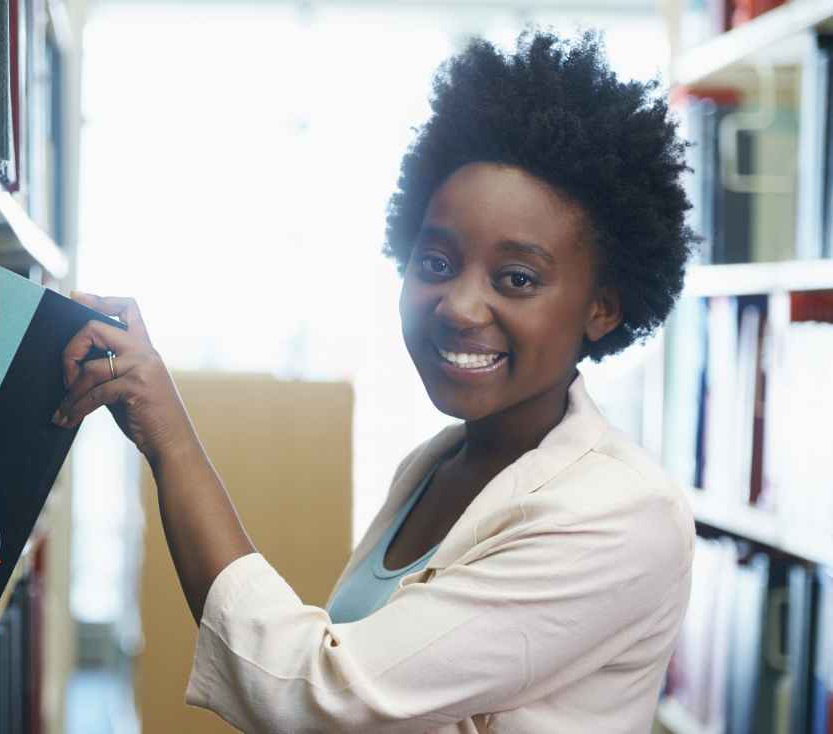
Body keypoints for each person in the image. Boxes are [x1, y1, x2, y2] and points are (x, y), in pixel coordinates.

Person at [53, 29, 696, 733]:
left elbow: (324, 692)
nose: (459, 306)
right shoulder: (436, 464)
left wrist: (171, 442)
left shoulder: (622, 515)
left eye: (517, 278)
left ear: (602, 306)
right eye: (437, 262)